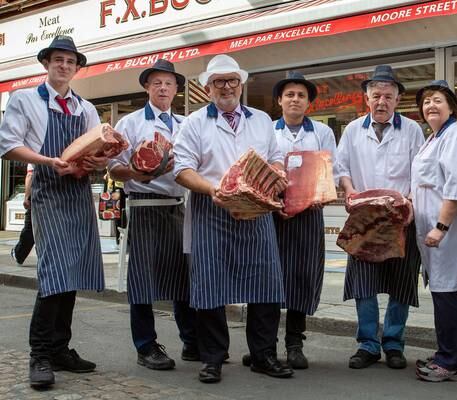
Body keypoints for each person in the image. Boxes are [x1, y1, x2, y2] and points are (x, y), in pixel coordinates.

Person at [173, 54, 293, 383]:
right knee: (210, 284)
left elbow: (276, 157)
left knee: (266, 282)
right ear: (208, 88)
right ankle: (212, 357)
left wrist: (279, 172)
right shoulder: (194, 122)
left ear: (241, 85)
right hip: (211, 208)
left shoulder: (262, 120)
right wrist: (215, 190)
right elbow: (181, 169)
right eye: (218, 82)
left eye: (232, 81)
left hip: (257, 210)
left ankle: (263, 354)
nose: (226, 87)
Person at [0, 35, 106, 389]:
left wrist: (93, 162)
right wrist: (48, 161)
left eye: (70, 61)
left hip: (77, 195)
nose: (64, 66)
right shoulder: (25, 99)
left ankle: (60, 348)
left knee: (72, 272)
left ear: (77, 68)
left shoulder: (85, 108)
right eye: (58, 59)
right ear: (46, 63)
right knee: (54, 272)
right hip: (47, 191)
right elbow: (9, 145)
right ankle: (40, 354)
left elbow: (98, 151)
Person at [108, 59, 197, 371]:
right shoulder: (130, 123)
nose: (163, 87)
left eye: (168, 83)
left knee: (184, 276)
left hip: (179, 205)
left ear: (176, 89)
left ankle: (191, 340)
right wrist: (138, 171)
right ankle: (145, 345)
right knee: (143, 278)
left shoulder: (187, 124)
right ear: (147, 86)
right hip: (144, 204)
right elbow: (113, 167)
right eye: (157, 82)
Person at [335, 65, 424, 370]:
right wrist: (349, 190)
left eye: (388, 95)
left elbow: (420, 172)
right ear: (367, 98)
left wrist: (410, 201)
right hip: (365, 219)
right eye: (376, 95)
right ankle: (368, 344)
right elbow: (341, 167)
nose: (382, 101)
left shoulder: (412, 130)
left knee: (401, 284)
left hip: (401, 219)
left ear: (398, 99)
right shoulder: (352, 130)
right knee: (364, 285)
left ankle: (394, 344)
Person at [411, 80, 457, 382]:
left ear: (452, 107)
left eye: (438, 100)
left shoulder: (455, 135)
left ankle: (450, 363)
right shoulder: (434, 137)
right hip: (431, 229)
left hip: (445, 230)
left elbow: (456, 186)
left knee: (445, 293)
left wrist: (441, 227)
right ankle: (450, 354)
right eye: (426, 102)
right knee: (443, 291)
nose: (431, 106)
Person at [271, 71, 337, 368]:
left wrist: (307, 199)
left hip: (309, 214)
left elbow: (327, 175)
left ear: (309, 102)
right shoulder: (268, 131)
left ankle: (294, 344)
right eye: (289, 95)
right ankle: (265, 345)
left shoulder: (321, 133)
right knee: (271, 278)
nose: (295, 99)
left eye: (301, 95)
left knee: (302, 276)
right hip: (274, 214)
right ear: (280, 101)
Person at [11, 164, 35, 266]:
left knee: (30, 227)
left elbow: (30, 175)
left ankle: (19, 254)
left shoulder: (34, 152)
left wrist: (26, 197)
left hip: (38, 195)